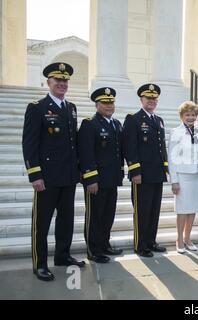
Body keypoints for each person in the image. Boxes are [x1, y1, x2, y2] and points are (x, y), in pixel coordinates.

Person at [22, 62, 85, 281]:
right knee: (42, 222)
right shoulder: (37, 107)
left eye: (65, 80)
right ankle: (39, 263)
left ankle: (62, 255)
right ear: (48, 82)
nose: (62, 84)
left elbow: (73, 143)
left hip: (68, 176)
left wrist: (78, 171)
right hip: (47, 178)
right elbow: (29, 144)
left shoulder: (71, 108)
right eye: (57, 80)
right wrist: (35, 174)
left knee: (66, 220)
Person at [78, 87, 124, 264]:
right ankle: (93, 250)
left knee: (108, 214)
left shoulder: (116, 124)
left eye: (111, 102)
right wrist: (90, 178)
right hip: (96, 181)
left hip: (112, 178)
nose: (109, 105)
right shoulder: (90, 124)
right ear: (97, 105)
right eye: (105, 103)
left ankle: (104, 244)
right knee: (95, 216)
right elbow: (86, 153)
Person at [123, 84, 168, 257]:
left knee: (154, 210)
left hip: (157, 173)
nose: (152, 101)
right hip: (142, 174)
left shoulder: (159, 120)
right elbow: (130, 148)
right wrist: (135, 171)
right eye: (148, 98)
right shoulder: (133, 119)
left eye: (154, 99)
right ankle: (140, 245)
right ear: (141, 99)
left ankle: (151, 241)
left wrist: (165, 167)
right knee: (142, 211)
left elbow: (161, 147)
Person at [168, 101, 198, 254]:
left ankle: (188, 237)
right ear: (182, 116)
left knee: (192, 209)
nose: (190, 117)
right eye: (187, 114)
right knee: (182, 210)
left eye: (193, 114)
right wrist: (174, 181)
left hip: (197, 176)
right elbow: (172, 158)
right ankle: (179, 239)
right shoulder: (176, 132)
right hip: (182, 177)